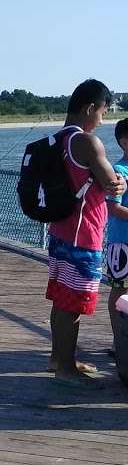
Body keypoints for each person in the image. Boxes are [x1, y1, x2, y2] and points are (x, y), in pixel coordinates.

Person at [46, 79, 125, 384]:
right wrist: (123, 182)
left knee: (61, 299)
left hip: (59, 229)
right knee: (73, 302)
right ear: (90, 108)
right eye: (103, 112)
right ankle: (66, 369)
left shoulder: (59, 138)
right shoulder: (87, 141)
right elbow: (112, 183)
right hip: (83, 234)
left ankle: (59, 358)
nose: (102, 120)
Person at [105, 119, 128, 352]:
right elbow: (113, 208)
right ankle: (118, 340)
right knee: (120, 290)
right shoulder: (118, 171)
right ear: (124, 142)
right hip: (122, 243)